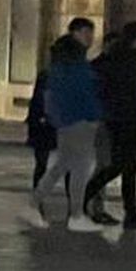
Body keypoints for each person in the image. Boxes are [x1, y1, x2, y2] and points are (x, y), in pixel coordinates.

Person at [20, 19, 116, 237]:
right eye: (86, 32)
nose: (90, 37)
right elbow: (83, 93)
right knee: (80, 168)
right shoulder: (74, 64)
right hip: (79, 121)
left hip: (68, 121)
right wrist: (95, 116)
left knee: (63, 165)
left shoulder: (61, 62)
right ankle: (76, 215)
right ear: (75, 33)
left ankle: (33, 205)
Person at [86, 20, 136, 230]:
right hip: (123, 121)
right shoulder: (121, 60)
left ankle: (131, 214)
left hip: (130, 120)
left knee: (129, 169)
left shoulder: (132, 59)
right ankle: (83, 198)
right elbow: (118, 91)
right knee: (119, 166)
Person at [25, 65, 56, 189]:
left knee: (42, 162)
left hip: (46, 131)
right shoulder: (42, 96)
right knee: (42, 162)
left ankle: (38, 186)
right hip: (44, 131)